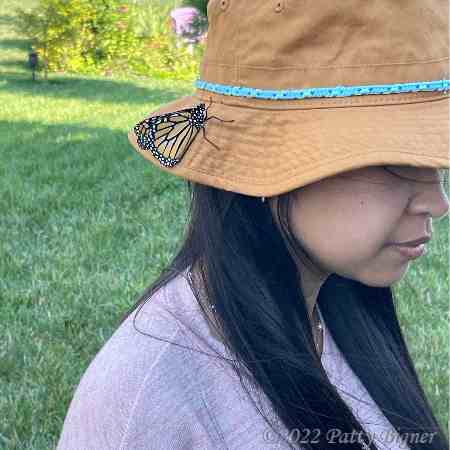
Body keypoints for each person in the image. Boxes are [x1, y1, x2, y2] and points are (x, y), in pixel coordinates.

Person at [56, 0, 449, 449]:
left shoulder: (338, 307)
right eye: (396, 163)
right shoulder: (146, 396)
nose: (438, 202)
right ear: (259, 165)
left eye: (436, 162)